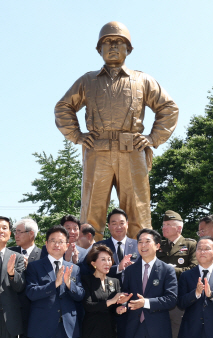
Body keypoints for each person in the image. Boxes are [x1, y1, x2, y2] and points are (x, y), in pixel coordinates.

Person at [55, 21, 179, 240]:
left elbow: (168, 108)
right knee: (92, 209)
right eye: (107, 42)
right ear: (99, 49)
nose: (112, 46)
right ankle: (90, 258)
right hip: (97, 150)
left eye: (118, 42)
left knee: (138, 209)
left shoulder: (143, 80)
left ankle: (141, 258)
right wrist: (77, 135)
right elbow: (64, 107)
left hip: (131, 150)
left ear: (128, 49)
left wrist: (152, 138)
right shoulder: (87, 80)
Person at [95, 207, 139, 338]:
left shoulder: (139, 245)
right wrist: (118, 267)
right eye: (113, 223)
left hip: (129, 307)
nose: (118, 226)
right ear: (108, 226)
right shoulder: (99, 246)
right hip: (104, 306)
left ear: (127, 224)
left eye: (122, 222)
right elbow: (92, 271)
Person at [157, 210, 197, 338]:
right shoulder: (159, 246)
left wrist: (171, 270)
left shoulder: (190, 245)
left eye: (167, 225)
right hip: (160, 304)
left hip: (180, 303)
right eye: (163, 225)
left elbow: (194, 269)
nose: (163, 228)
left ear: (178, 227)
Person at [8, 217, 41, 338]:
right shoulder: (9, 253)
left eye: (19, 231)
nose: (15, 235)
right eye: (15, 231)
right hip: (11, 311)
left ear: (31, 234)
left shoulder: (43, 254)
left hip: (33, 313)